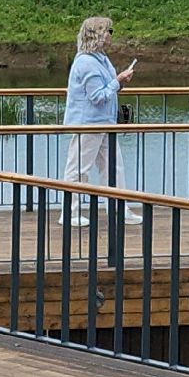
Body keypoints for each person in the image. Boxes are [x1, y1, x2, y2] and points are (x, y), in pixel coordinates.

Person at [60, 16, 140, 226]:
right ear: (96, 35)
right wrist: (117, 82)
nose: (110, 35)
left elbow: (108, 89)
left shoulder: (101, 59)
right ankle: (70, 212)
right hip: (88, 123)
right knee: (78, 168)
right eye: (107, 31)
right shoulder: (86, 62)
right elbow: (97, 96)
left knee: (114, 166)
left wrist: (119, 83)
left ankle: (118, 208)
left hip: (104, 122)